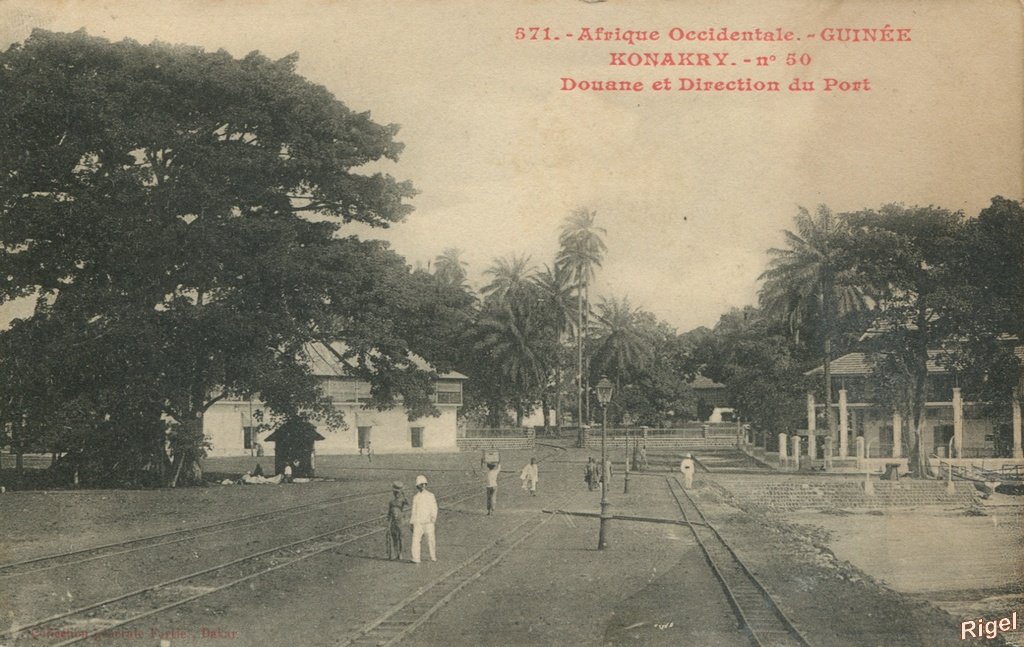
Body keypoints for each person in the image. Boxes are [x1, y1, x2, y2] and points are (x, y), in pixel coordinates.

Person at [409, 474, 437, 563]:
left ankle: (433, 556)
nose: (423, 486)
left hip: (428, 522)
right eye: (421, 484)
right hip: (418, 522)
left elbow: (434, 508)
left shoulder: (431, 495)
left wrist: (433, 519)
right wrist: (412, 522)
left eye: (424, 484)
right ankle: (416, 558)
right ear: (417, 486)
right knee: (416, 540)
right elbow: (413, 511)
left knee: (431, 540)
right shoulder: (416, 497)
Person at [386, 481, 408, 560]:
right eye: (395, 492)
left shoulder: (402, 500)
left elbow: (407, 502)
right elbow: (389, 513)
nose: (396, 494)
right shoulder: (391, 502)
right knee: (394, 538)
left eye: (398, 492)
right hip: (393, 522)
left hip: (400, 521)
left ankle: (401, 553)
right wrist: (388, 523)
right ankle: (396, 553)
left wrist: (403, 493)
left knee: (401, 537)